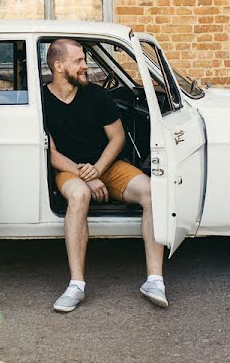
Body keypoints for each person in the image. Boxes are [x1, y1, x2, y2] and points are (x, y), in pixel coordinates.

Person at [42, 38, 168, 312]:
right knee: (79, 194)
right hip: (70, 170)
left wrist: (98, 169)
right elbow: (49, 153)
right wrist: (85, 175)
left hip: (107, 166)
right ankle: (76, 285)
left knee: (152, 191)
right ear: (59, 66)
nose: (85, 66)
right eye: (78, 61)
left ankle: (155, 280)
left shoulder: (96, 95)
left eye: (84, 60)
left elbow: (118, 138)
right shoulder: (42, 101)